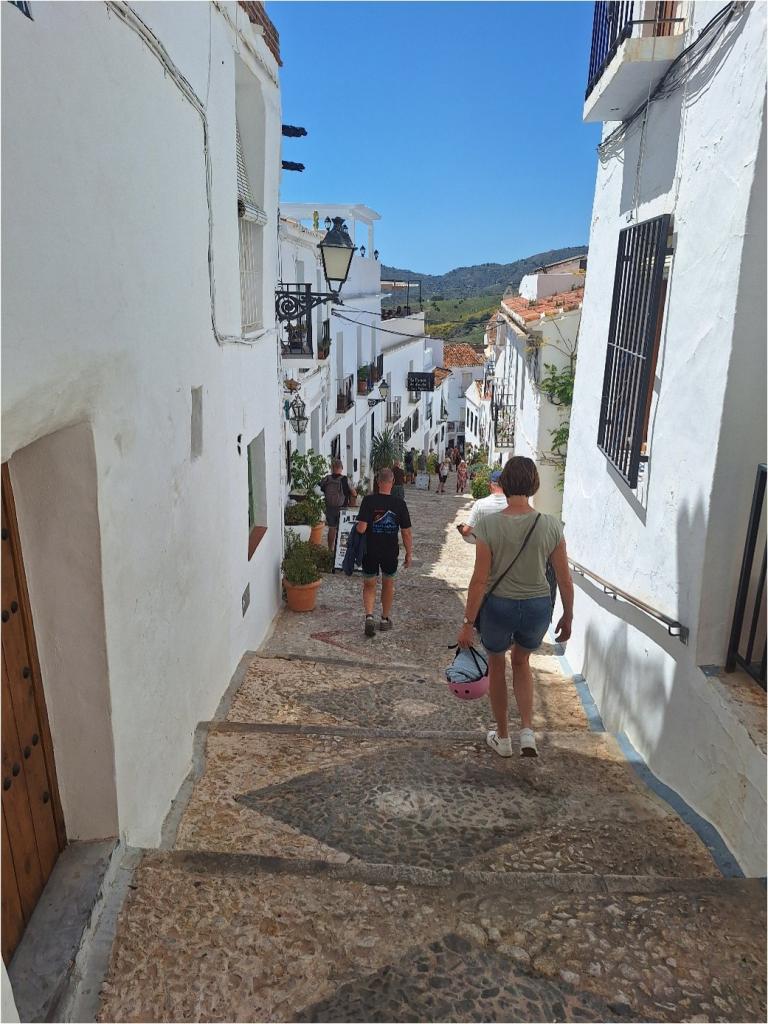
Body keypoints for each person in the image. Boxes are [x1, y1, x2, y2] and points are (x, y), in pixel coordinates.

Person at [456, 456, 573, 758]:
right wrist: (568, 615)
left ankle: (504, 738)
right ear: (534, 485)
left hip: (499, 607)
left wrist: (467, 623)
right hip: (537, 607)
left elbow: (479, 580)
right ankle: (528, 732)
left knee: (497, 664)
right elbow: (563, 578)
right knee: (522, 662)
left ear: (505, 483)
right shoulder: (551, 525)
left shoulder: (488, 525)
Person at [355, 468, 413, 636]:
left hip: (370, 551)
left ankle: (369, 616)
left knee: (369, 584)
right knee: (388, 584)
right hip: (390, 551)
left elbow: (361, 528)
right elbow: (406, 532)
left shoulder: (368, 501)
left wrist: (357, 528)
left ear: (378, 481)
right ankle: (385, 619)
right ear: (392, 482)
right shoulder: (400, 504)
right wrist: (409, 553)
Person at [457, 469, 508, 540]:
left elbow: (466, 531)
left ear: (490, 485)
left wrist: (461, 528)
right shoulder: (514, 504)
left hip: (486, 544)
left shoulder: (480, 504)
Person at [320, 459, 356, 552]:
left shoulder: (327, 479)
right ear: (342, 468)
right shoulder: (345, 479)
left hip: (330, 508)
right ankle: (341, 551)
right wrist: (352, 505)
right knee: (344, 529)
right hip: (342, 508)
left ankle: (330, 549)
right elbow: (354, 493)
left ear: (332, 468)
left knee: (331, 528)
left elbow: (320, 489)